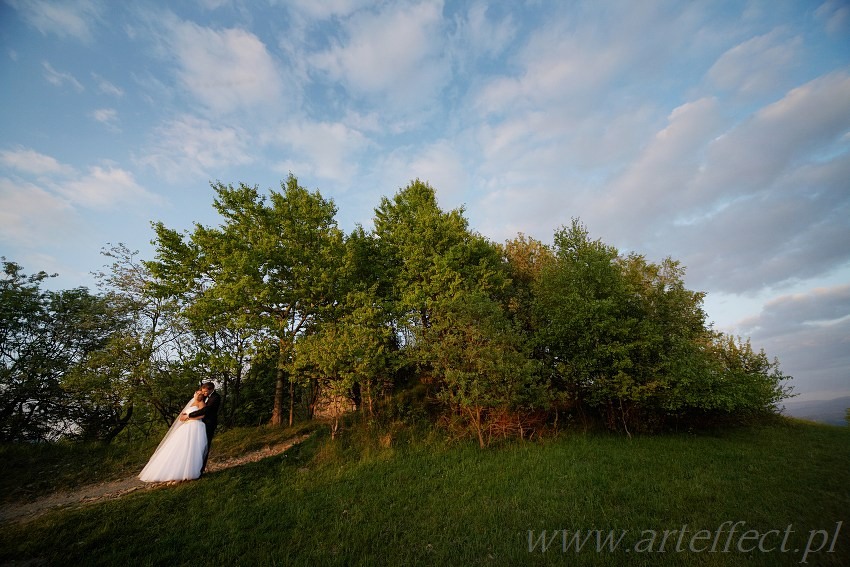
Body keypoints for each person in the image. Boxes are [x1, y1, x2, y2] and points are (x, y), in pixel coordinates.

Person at [139, 389, 208, 482]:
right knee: (179, 447)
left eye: (200, 394)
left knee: (191, 447)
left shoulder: (202, 404)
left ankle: (189, 471)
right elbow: (182, 416)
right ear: (194, 394)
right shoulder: (190, 404)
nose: (199, 395)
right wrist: (184, 418)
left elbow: (202, 415)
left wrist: (188, 417)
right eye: (197, 393)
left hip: (195, 426)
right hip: (186, 426)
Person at [180, 381, 221, 474]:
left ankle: (200, 469)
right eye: (203, 392)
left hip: (209, 424)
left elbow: (206, 410)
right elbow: (198, 402)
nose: (204, 394)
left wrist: (189, 415)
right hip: (199, 425)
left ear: (212, 389)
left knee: (205, 446)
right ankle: (193, 468)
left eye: (206, 392)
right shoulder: (205, 396)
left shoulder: (215, 398)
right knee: (195, 446)